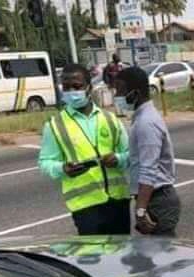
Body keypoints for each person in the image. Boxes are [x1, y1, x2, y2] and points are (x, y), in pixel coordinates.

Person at [38, 63, 130, 235]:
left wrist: (118, 159)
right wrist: (63, 169)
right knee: (94, 259)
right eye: (66, 87)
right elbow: (45, 162)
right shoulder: (55, 125)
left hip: (118, 201)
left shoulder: (110, 119)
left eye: (77, 86)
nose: (72, 91)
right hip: (85, 207)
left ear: (89, 87)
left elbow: (130, 154)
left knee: (121, 257)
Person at [114, 67, 180, 235]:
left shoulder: (146, 122)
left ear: (135, 93)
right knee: (158, 255)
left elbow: (149, 168)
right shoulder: (142, 118)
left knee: (163, 255)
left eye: (120, 91)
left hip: (157, 200)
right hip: (154, 198)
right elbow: (141, 157)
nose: (117, 96)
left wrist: (141, 210)